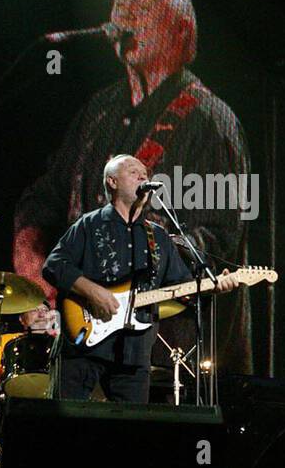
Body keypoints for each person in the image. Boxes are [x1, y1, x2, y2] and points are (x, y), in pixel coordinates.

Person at [14, 0, 252, 378]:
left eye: (140, 8)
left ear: (180, 33)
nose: (122, 18)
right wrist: (38, 285)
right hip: (82, 343)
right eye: (118, 6)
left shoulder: (212, 121)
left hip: (168, 359)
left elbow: (217, 244)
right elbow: (41, 202)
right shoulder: (99, 111)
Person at [42, 155, 238, 403]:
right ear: (112, 182)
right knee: (64, 425)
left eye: (145, 173)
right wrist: (92, 291)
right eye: (134, 172)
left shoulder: (158, 236)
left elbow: (182, 288)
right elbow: (54, 265)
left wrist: (213, 288)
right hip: (83, 345)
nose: (143, 176)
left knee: (132, 434)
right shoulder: (88, 225)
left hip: (134, 353)